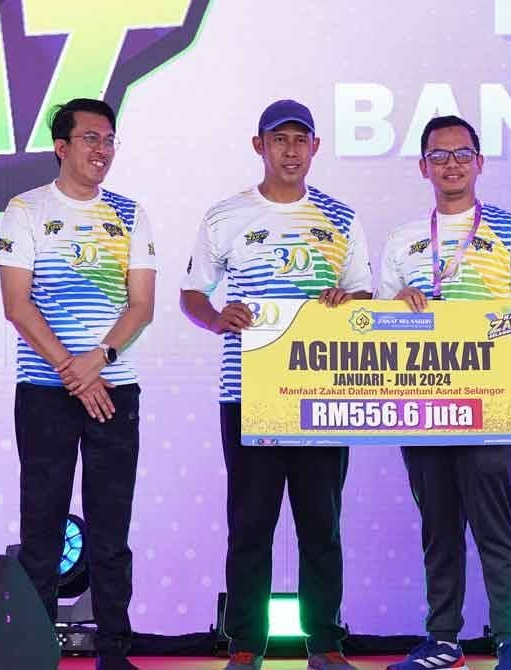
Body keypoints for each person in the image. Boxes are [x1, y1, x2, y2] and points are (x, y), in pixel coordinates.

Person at [180, 100, 372, 670]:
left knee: (322, 526)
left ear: (315, 148)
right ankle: (245, 645)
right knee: (251, 524)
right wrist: (217, 317)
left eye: (301, 140)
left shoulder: (341, 217)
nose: (291, 150)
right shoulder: (225, 215)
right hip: (248, 395)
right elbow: (192, 293)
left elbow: (363, 295)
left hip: (323, 396)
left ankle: (326, 644)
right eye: (279, 139)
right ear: (258, 145)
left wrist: (348, 300)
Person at [377, 115, 511, 670]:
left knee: (493, 523)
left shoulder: (510, 231)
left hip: (491, 403)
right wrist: (395, 303)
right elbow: (371, 325)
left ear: (479, 162)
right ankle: (443, 638)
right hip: (421, 406)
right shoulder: (403, 239)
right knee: (438, 525)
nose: (451, 164)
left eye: (462, 154)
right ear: (422, 166)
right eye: (439, 155)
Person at [0, 98, 156, 670]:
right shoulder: (27, 209)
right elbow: (17, 305)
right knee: (42, 530)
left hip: (116, 388)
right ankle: (36, 656)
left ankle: (115, 653)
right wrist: (72, 370)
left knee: (112, 531)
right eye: (91, 138)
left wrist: (101, 359)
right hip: (45, 392)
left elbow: (142, 306)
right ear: (61, 147)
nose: (102, 149)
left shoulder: (131, 214)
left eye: (110, 139)